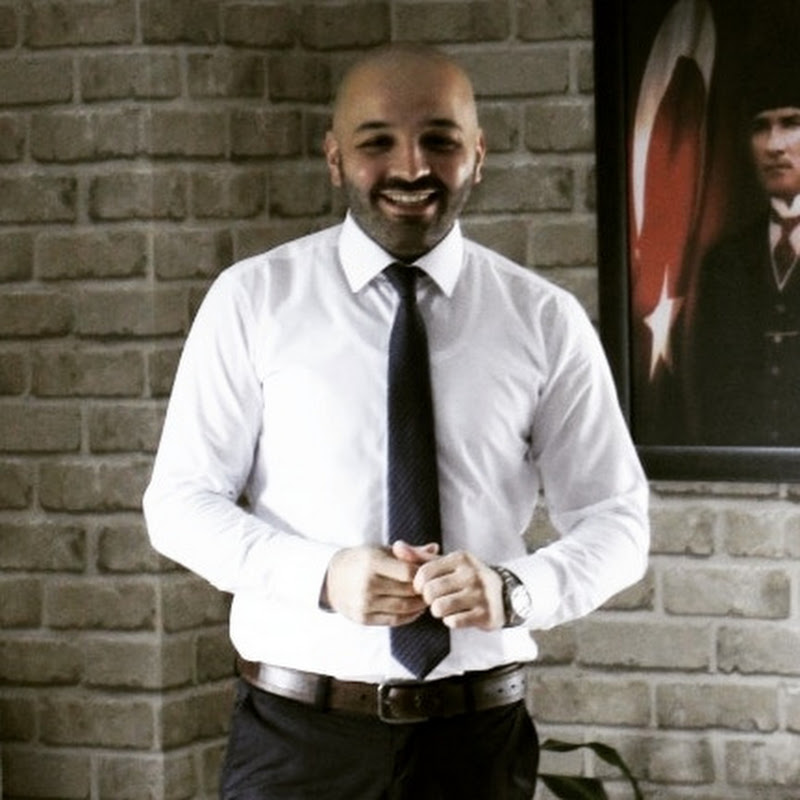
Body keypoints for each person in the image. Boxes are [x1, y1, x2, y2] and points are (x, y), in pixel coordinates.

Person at [143, 43, 649, 800]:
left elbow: (618, 522)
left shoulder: (546, 321)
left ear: (478, 155)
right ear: (335, 158)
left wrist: (515, 591)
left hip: (474, 747)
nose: (411, 167)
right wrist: (323, 577)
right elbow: (178, 504)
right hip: (296, 746)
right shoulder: (253, 301)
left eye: (439, 140)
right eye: (377, 141)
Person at [689, 59, 800, 446]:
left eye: (791, 123)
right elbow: (711, 395)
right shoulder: (724, 261)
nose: (773, 145)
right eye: (760, 127)